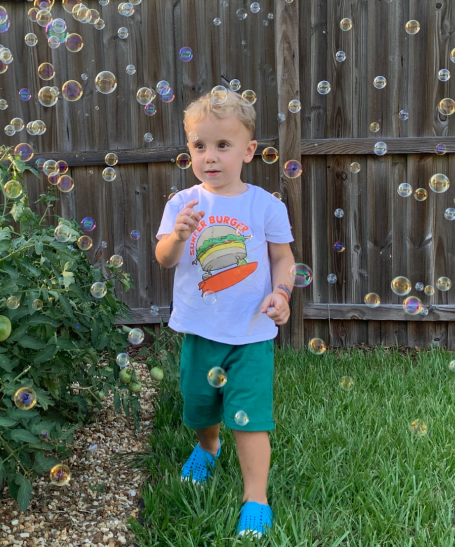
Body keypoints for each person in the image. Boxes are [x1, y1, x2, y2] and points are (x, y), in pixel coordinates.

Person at [154, 90, 296, 539]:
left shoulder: (264, 205)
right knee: (199, 407)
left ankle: (256, 497)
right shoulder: (183, 204)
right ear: (189, 150)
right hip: (200, 331)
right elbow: (165, 259)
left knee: (250, 419)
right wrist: (177, 236)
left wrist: (282, 291)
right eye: (199, 146)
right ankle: (207, 445)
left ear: (248, 151)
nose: (209, 157)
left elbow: (283, 258)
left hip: (252, 332)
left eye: (222, 145)